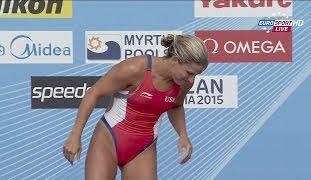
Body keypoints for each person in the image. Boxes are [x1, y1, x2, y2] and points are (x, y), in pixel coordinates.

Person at [62, 34, 208, 180]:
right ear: (175, 60)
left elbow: (176, 106)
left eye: (196, 75)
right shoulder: (135, 68)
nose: (191, 79)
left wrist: (183, 134)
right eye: (189, 73)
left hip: (144, 148)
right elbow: (93, 94)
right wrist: (75, 135)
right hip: (109, 139)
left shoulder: (185, 83)